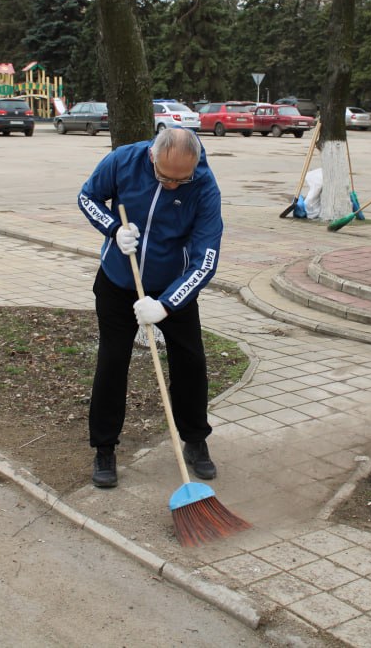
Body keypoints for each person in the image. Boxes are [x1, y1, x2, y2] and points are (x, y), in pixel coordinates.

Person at [77, 127, 223, 489]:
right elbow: (87, 197)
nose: (173, 185)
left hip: (171, 286)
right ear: (152, 157)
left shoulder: (204, 187)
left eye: (181, 179)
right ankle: (105, 448)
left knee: (191, 361)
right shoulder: (123, 160)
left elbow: (206, 258)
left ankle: (195, 440)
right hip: (117, 281)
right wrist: (113, 230)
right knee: (112, 361)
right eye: (164, 177)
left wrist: (167, 304)